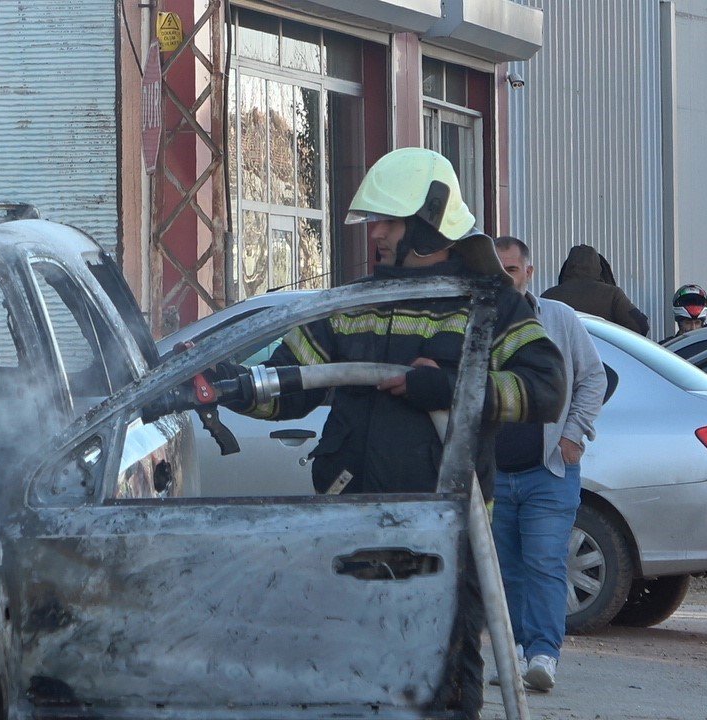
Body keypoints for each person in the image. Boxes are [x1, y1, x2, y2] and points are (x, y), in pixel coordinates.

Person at [216, 148, 567, 718]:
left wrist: (452, 389)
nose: (372, 234)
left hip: (445, 531)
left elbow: (546, 389)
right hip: (352, 521)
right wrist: (227, 385)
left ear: (426, 226)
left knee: (443, 681)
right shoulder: (357, 303)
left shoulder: (489, 306)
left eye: (385, 221)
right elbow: (293, 382)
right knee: (356, 674)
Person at [491, 235, 607, 693]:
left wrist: (573, 436)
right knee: (504, 568)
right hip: (494, 473)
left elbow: (593, 377)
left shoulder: (557, 319)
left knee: (544, 562)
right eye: (497, 271)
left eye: (513, 271)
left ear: (529, 273)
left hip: (549, 470)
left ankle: (543, 656)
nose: (505, 280)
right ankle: (514, 653)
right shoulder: (479, 323)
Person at [542, 245, 649, 336]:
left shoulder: (548, 296)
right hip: (604, 358)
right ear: (599, 266)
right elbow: (640, 326)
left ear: (567, 266)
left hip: (558, 359)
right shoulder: (612, 294)